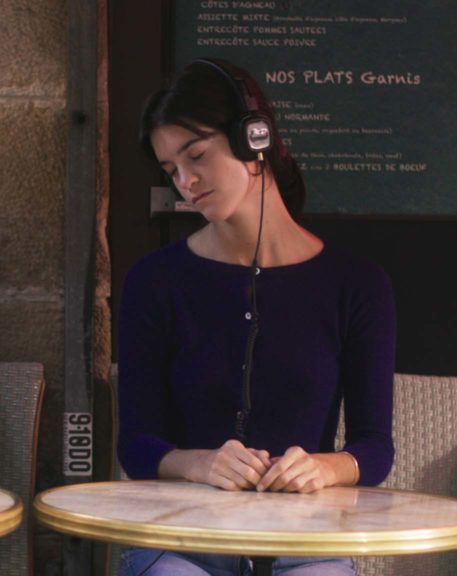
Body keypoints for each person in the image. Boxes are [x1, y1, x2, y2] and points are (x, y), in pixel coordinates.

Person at [116, 58, 396, 575]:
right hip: (180, 536)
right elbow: (135, 443)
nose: (186, 181)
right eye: (170, 169)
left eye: (196, 155)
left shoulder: (358, 284)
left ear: (253, 140)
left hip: (303, 541)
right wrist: (200, 463)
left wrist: (321, 468)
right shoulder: (154, 280)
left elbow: (374, 449)